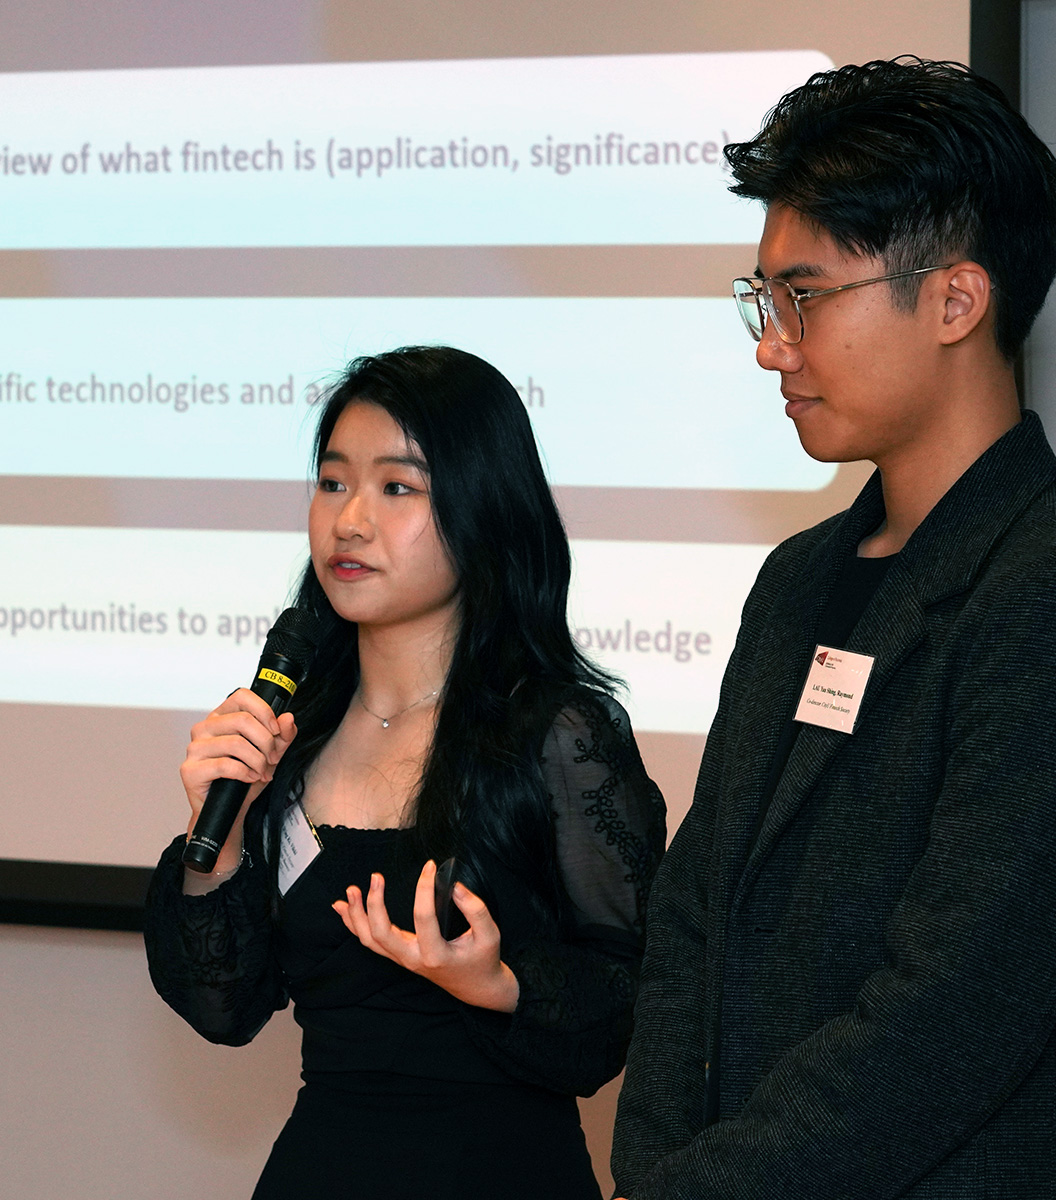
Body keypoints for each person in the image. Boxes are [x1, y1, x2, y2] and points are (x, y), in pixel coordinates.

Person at [611, 58, 1056, 1199]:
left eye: (806, 299)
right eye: (765, 302)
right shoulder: (797, 580)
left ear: (956, 301)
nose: (775, 345)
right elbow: (691, 930)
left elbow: (949, 1016)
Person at [144, 346, 666, 1200]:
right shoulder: (289, 735)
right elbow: (223, 1010)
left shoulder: (558, 735)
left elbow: (629, 1010)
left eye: (397, 487)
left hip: (502, 1172)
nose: (349, 522)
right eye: (333, 481)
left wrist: (500, 985)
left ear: (484, 509)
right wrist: (223, 835)